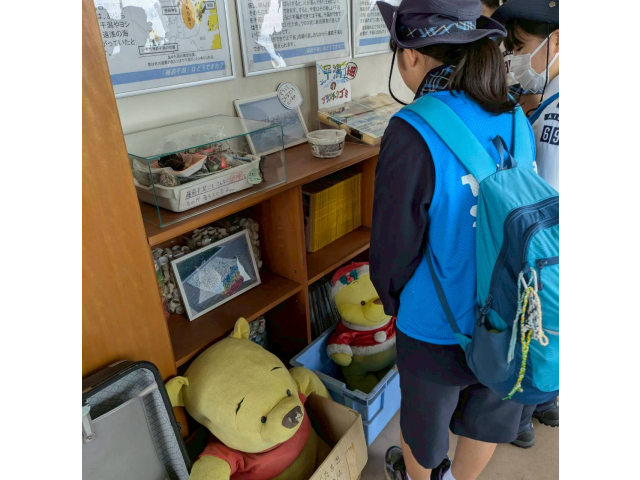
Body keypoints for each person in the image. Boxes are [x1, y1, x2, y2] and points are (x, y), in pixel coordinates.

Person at [370, 1, 534, 479]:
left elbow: (393, 247)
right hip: (509, 311)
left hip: (433, 324)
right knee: (487, 417)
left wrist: (390, 299)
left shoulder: (412, 129)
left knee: (423, 430)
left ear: (410, 55)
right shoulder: (514, 116)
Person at [493, 0, 560, 448]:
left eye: (519, 47)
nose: (512, 58)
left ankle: (521, 418)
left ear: (557, 41)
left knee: (531, 332)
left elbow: (542, 199)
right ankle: (546, 401)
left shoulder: (556, 111)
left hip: (546, 252)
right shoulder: (549, 95)